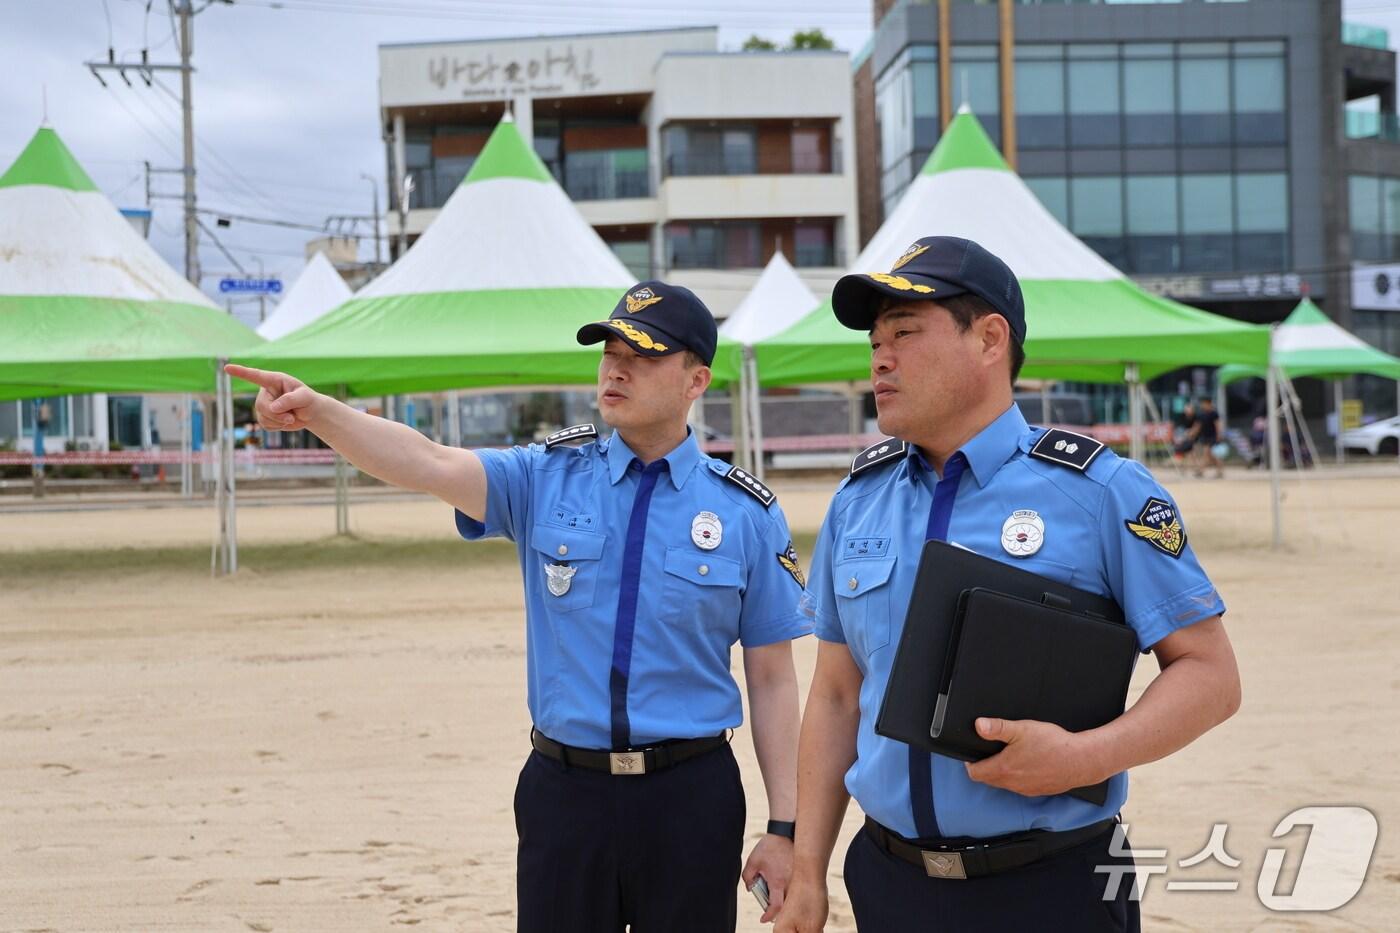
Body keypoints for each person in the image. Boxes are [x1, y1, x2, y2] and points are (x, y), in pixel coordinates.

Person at [227, 280, 810, 932]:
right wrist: (319, 412)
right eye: (610, 348)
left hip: (691, 797)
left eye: (643, 354)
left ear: (695, 380)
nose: (616, 366)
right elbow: (426, 461)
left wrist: (785, 828)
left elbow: (772, 678)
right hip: (566, 792)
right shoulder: (544, 476)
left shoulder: (745, 513)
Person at [774, 237, 1241, 933]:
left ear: (990, 340)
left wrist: (1084, 755)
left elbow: (1211, 674)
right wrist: (808, 867)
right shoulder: (857, 500)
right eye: (875, 340)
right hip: (889, 882)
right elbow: (838, 694)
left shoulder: (1101, 492)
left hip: (1051, 884)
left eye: (904, 333)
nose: (880, 357)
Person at [1191, 397, 1225, 478]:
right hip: (1205, 436)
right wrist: (1192, 434)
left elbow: (1217, 425)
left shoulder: (1214, 413)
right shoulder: (1201, 414)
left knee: (1206, 453)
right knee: (1211, 455)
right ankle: (1220, 470)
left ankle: (1201, 471)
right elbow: (1198, 426)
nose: (1202, 405)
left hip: (1212, 436)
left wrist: (1219, 435)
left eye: (1204, 404)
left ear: (1208, 404)